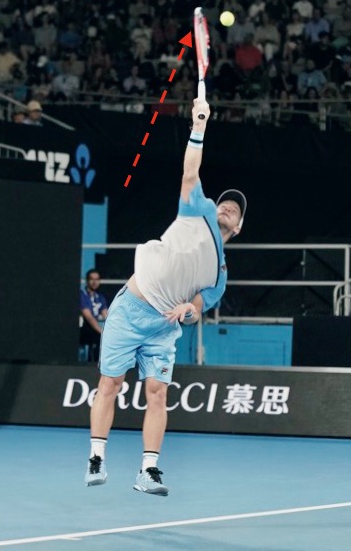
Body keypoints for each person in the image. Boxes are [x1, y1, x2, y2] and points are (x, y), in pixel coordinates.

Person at [85, 97, 247, 495]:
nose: (228, 207)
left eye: (235, 209)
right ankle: (96, 458)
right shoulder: (199, 209)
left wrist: (187, 310)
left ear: (239, 228)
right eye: (226, 202)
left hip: (163, 327)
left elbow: (196, 310)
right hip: (130, 309)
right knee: (110, 384)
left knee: (157, 393)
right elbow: (190, 172)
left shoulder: (220, 273)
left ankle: (149, 471)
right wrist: (199, 126)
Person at [80, 269, 108, 363]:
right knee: (99, 337)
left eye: (97, 279)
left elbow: (107, 315)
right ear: (87, 281)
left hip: (96, 330)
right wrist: (102, 332)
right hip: (85, 329)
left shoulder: (100, 297)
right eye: (92, 279)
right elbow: (89, 318)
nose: (94, 282)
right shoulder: (82, 295)